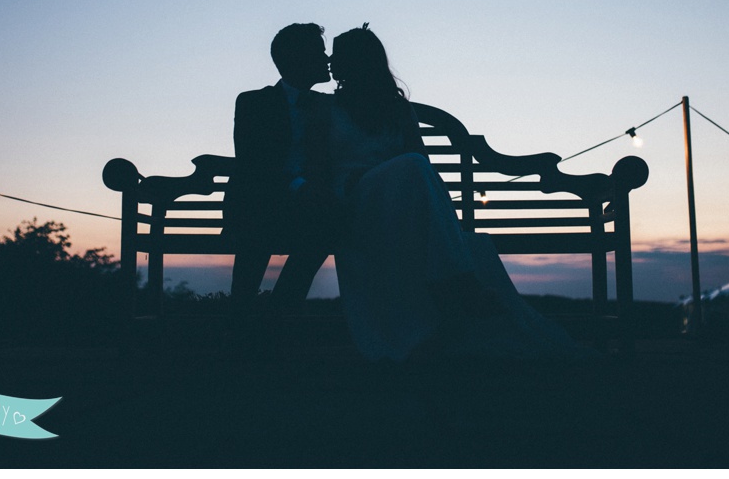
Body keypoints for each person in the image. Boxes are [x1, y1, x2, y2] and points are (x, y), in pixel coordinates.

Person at [328, 24, 581, 362]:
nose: (330, 60)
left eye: (338, 54)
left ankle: (450, 307)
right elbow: (322, 165)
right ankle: (462, 285)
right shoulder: (327, 108)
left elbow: (423, 164)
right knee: (413, 166)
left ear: (358, 62)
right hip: (358, 200)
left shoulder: (397, 110)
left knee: (416, 169)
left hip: (400, 204)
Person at [224, 22, 337, 325]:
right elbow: (254, 164)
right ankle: (242, 322)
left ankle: (276, 314)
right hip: (262, 201)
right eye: (318, 53)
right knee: (258, 219)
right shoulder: (253, 102)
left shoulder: (331, 106)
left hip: (312, 209)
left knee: (327, 224)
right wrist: (300, 186)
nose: (326, 60)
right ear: (294, 59)